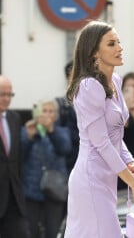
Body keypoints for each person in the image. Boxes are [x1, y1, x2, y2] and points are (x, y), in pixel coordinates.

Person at [64, 20, 134, 238]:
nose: (120, 48)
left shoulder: (116, 81)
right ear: (94, 52)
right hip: (91, 177)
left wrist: (129, 160)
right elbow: (101, 142)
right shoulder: (88, 87)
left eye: (119, 42)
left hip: (107, 177)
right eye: (111, 44)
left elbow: (115, 135)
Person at [21, 99, 71, 238]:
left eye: (51, 111)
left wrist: (51, 130)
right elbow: (18, 155)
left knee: (53, 231)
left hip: (55, 191)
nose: (47, 115)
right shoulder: (28, 129)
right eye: (44, 111)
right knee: (30, 231)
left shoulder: (62, 131)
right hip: (32, 190)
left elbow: (65, 148)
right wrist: (27, 137)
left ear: (56, 115)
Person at [0, 75, 30, 238]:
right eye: (2, 94)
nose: (6, 99)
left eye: (9, 94)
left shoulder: (14, 118)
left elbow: (17, 157)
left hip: (13, 197)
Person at [56, 60, 80, 175]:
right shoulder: (60, 106)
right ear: (67, 79)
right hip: (68, 166)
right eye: (74, 75)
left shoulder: (96, 103)